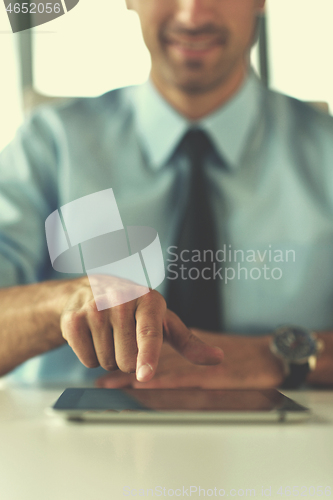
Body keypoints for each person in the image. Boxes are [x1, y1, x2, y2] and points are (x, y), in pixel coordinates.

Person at [0, 0, 333, 389]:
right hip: (70, 440)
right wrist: (59, 305)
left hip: (294, 444)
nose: (193, 15)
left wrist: (272, 357)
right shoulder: (48, 148)